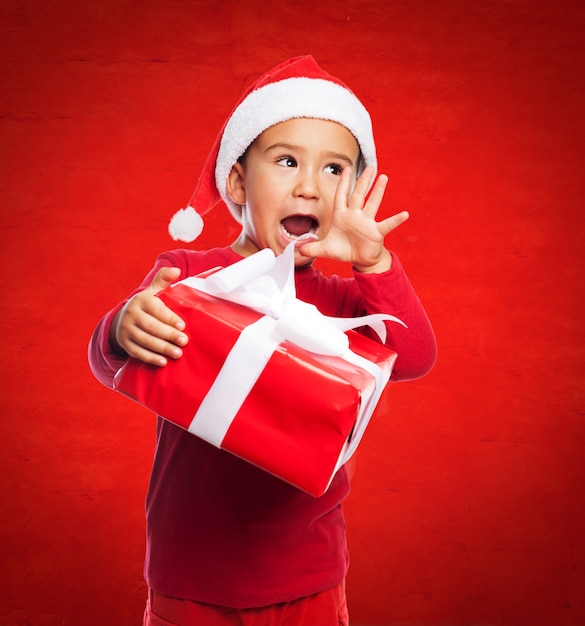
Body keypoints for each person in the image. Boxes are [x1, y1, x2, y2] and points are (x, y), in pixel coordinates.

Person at [88, 55, 437, 626]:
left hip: (308, 576)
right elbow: (112, 365)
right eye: (286, 161)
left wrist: (374, 263)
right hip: (189, 570)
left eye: (333, 170)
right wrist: (124, 327)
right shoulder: (190, 273)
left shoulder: (345, 300)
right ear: (237, 179)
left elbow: (415, 357)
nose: (308, 185)